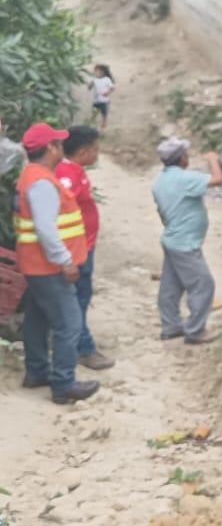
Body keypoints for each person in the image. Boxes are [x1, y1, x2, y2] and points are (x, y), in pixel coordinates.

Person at [14, 123, 99, 404]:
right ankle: (64, 385)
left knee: (37, 319)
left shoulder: (33, 176)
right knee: (69, 323)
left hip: (36, 265)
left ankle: (37, 371)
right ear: (50, 147)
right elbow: (46, 228)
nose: (63, 147)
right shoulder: (41, 182)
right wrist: (65, 261)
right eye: (59, 143)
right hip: (48, 267)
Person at [152, 137, 222, 344]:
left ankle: (171, 326)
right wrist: (213, 159)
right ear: (182, 158)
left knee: (171, 286)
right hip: (185, 244)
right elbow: (218, 179)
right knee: (203, 284)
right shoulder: (185, 179)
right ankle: (195, 330)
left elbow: (162, 213)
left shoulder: (160, 181)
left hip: (172, 239)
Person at [54, 125, 115, 370]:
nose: (97, 154)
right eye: (95, 150)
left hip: (81, 245)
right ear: (82, 152)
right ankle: (83, 347)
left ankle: (77, 343)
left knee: (78, 296)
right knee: (78, 297)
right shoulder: (68, 176)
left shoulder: (72, 171)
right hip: (77, 249)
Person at [89, 65, 116, 130]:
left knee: (104, 116)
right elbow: (89, 87)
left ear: (102, 72)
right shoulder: (95, 80)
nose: (95, 73)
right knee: (94, 114)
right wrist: (90, 84)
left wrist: (107, 93)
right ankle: (91, 126)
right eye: (95, 71)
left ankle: (103, 129)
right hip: (96, 101)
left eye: (96, 71)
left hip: (104, 101)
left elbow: (112, 88)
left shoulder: (107, 79)